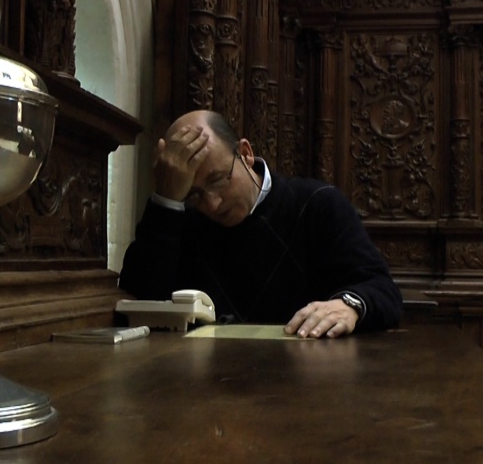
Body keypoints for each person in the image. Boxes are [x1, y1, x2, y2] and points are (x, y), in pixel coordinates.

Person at [118, 110, 403, 338]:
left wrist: (349, 306)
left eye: (218, 180)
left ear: (245, 153)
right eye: (194, 194)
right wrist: (167, 200)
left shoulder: (317, 205)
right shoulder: (181, 221)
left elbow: (382, 289)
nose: (213, 204)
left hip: (307, 376)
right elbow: (140, 300)